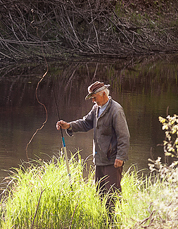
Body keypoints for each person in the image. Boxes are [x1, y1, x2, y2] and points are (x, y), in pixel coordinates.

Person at [56, 81, 130, 215]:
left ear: (103, 93)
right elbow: (86, 123)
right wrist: (69, 126)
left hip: (113, 160)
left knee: (112, 194)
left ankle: (114, 224)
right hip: (99, 159)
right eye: (91, 98)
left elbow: (124, 136)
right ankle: (103, 223)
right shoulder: (97, 108)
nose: (93, 100)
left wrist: (120, 157)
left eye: (94, 97)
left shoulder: (116, 110)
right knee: (100, 193)